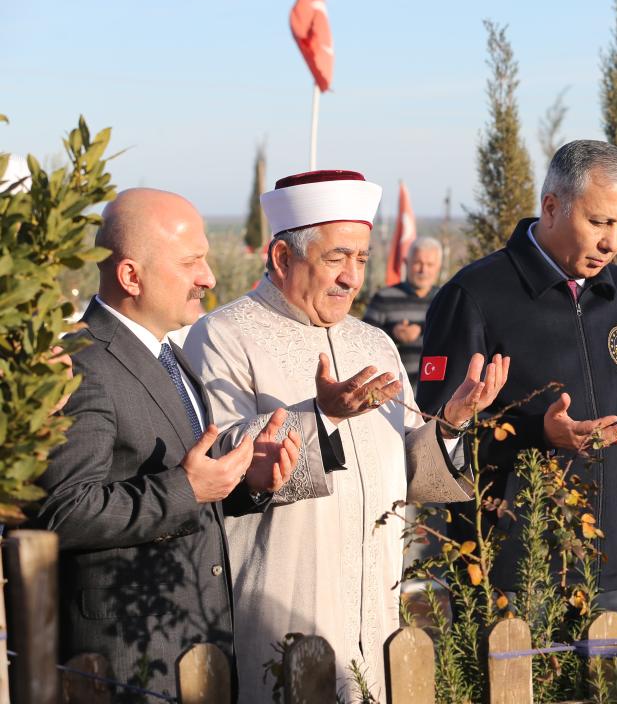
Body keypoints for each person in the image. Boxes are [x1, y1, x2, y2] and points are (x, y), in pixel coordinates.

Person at [183, 170, 507, 703]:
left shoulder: (373, 343)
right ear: (283, 259)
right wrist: (320, 418)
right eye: (335, 259)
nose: (351, 279)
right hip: (282, 610)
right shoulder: (223, 335)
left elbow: (407, 470)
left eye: (361, 260)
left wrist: (449, 422)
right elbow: (225, 464)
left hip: (377, 614)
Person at [415, 140, 617, 628]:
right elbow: (434, 442)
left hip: (610, 566)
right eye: (599, 222)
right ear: (551, 207)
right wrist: (540, 433)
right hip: (510, 568)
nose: (612, 242)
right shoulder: (474, 296)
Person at [36, 188, 300, 696]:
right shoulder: (82, 365)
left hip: (194, 647)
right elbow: (62, 512)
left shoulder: (168, 356)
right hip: (125, 660)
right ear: (130, 275)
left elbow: (184, 491)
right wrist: (188, 488)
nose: (209, 277)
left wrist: (244, 482)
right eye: (190, 262)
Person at [364, 236, 443, 373]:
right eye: (418, 263)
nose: (423, 270)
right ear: (406, 263)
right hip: (392, 388)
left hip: (436, 390)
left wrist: (423, 330)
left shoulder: (445, 299)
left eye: (430, 265)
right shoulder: (383, 298)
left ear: (438, 267)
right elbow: (363, 339)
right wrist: (392, 334)